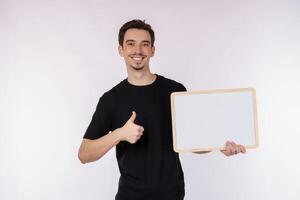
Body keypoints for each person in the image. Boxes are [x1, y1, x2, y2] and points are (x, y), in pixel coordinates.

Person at [78, 19, 246, 200]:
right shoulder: (110, 100)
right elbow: (84, 154)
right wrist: (119, 134)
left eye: (145, 44)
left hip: (172, 194)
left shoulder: (175, 91)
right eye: (131, 44)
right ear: (121, 50)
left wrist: (218, 145)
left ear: (152, 50)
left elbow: (192, 142)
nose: (138, 51)